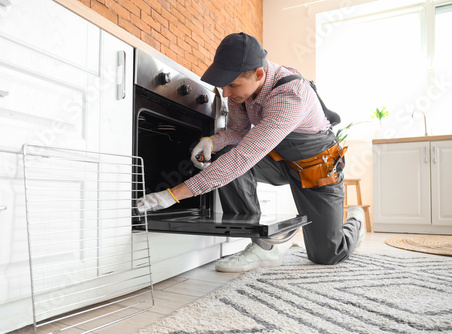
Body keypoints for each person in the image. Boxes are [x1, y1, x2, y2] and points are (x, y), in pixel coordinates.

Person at [137, 32, 365, 273]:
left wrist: (172, 195)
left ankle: (355, 223)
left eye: (232, 85)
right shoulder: (239, 92)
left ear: (258, 74)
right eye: (223, 85)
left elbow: (243, 158)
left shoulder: (290, 95)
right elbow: (238, 131)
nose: (226, 93)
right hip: (278, 160)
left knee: (327, 254)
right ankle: (262, 248)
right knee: (225, 153)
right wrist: (212, 142)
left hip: (316, 167)